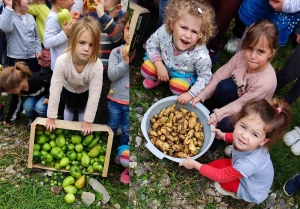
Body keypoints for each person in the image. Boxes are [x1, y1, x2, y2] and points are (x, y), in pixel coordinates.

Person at [180, 98, 292, 204]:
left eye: (254, 134)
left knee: (217, 173)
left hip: (249, 189)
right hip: (247, 168)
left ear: (264, 141)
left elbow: (220, 176)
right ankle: (236, 157)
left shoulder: (249, 164)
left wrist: (195, 164)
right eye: (243, 126)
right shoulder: (249, 141)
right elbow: (235, 136)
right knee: (215, 164)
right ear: (237, 121)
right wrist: (224, 136)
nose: (244, 135)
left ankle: (232, 191)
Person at [192, 19, 278, 133]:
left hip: (251, 109)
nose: (252, 56)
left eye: (260, 52)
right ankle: (216, 105)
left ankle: (224, 135)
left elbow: (243, 104)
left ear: (271, 53)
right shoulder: (241, 56)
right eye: (250, 48)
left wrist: (218, 115)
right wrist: (201, 95)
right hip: (239, 92)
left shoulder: (265, 82)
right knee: (223, 86)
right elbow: (220, 75)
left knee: (226, 123)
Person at [141, 0, 217, 105]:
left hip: (183, 74)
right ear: (172, 24)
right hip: (164, 63)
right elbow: (151, 45)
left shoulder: (201, 55)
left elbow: (205, 76)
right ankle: (159, 78)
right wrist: (159, 65)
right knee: (146, 70)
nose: (188, 35)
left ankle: (170, 80)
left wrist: (191, 94)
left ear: (201, 35)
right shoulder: (164, 32)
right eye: (183, 27)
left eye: (194, 32)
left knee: (178, 89)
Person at [45, 16, 103, 136]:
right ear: (72, 41)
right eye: (82, 43)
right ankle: (67, 131)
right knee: (69, 108)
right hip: (68, 88)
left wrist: (88, 121)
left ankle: (82, 133)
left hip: (85, 90)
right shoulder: (62, 61)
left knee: (83, 110)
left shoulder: (97, 65)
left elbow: (94, 96)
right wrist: (51, 117)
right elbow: (55, 90)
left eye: (91, 45)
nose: (86, 48)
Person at [82, 0, 124, 125]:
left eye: (106, 11)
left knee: (105, 100)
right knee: (90, 97)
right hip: (92, 69)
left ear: (118, 8)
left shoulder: (119, 21)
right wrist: (84, 15)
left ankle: (106, 124)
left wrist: (102, 15)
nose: (101, 14)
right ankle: (89, 121)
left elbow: (117, 37)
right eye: (98, 9)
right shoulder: (94, 18)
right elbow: (83, 33)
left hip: (107, 72)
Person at [107, 12, 130, 184]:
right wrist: (125, 62)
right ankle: (107, 152)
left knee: (128, 132)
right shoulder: (116, 52)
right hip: (115, 100)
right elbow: (112, 75)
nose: (131, 33)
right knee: (112, 126)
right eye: (128, 28)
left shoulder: (145, 56)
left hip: (130, 103)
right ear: (123, 29)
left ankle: (122, 156)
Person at [0, 62, 51, 130]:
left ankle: (43, 121)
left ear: (19, 84)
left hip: (46, 95)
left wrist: (48, 96)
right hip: (35, 96)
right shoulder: (18, 89)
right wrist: (8, 119)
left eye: (13, 91)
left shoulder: (38, 79)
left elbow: (54, 82)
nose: (13, 93)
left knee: (40, 107)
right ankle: (32, 119)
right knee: (27, 106)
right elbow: (14, 103)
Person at [0, 0, 42, 72]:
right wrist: (9, 6)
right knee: (17, 81)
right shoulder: (7, 17)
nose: (29, 1)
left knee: (32, 80)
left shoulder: (31, 17)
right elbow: (5, 28)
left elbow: (36, 36)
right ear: (16, 2)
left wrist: (38, 49)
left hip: (32, 58)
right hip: (16, 59)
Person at [43, 0, 75, 71]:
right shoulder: (53, 18)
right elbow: (47, 43)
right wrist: (64, 34)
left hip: (68, 66)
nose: (74, 2)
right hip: (60, 69)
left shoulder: (62, 15)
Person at [27, 0, 51, 73]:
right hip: (45, 45)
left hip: (57, 44)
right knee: (44, 70)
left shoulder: (59, 7)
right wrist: (33, 2)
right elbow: (26, 7)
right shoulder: (39, 7)